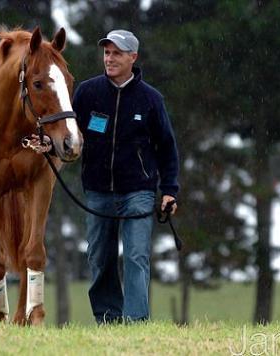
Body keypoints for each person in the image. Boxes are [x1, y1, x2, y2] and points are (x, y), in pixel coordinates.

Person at [72, 29, 180, 324]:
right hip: (97, 191)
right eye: (107, 52)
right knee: (100, 258)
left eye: (117, 53)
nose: (110, 58)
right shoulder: (86, 92)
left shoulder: (151, 99)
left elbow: (167, 147)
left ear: (133, 57)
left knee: (136, 257)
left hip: (138, 192)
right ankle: (108, 319)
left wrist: (170, 190)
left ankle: (135, 322)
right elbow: (70, 136)